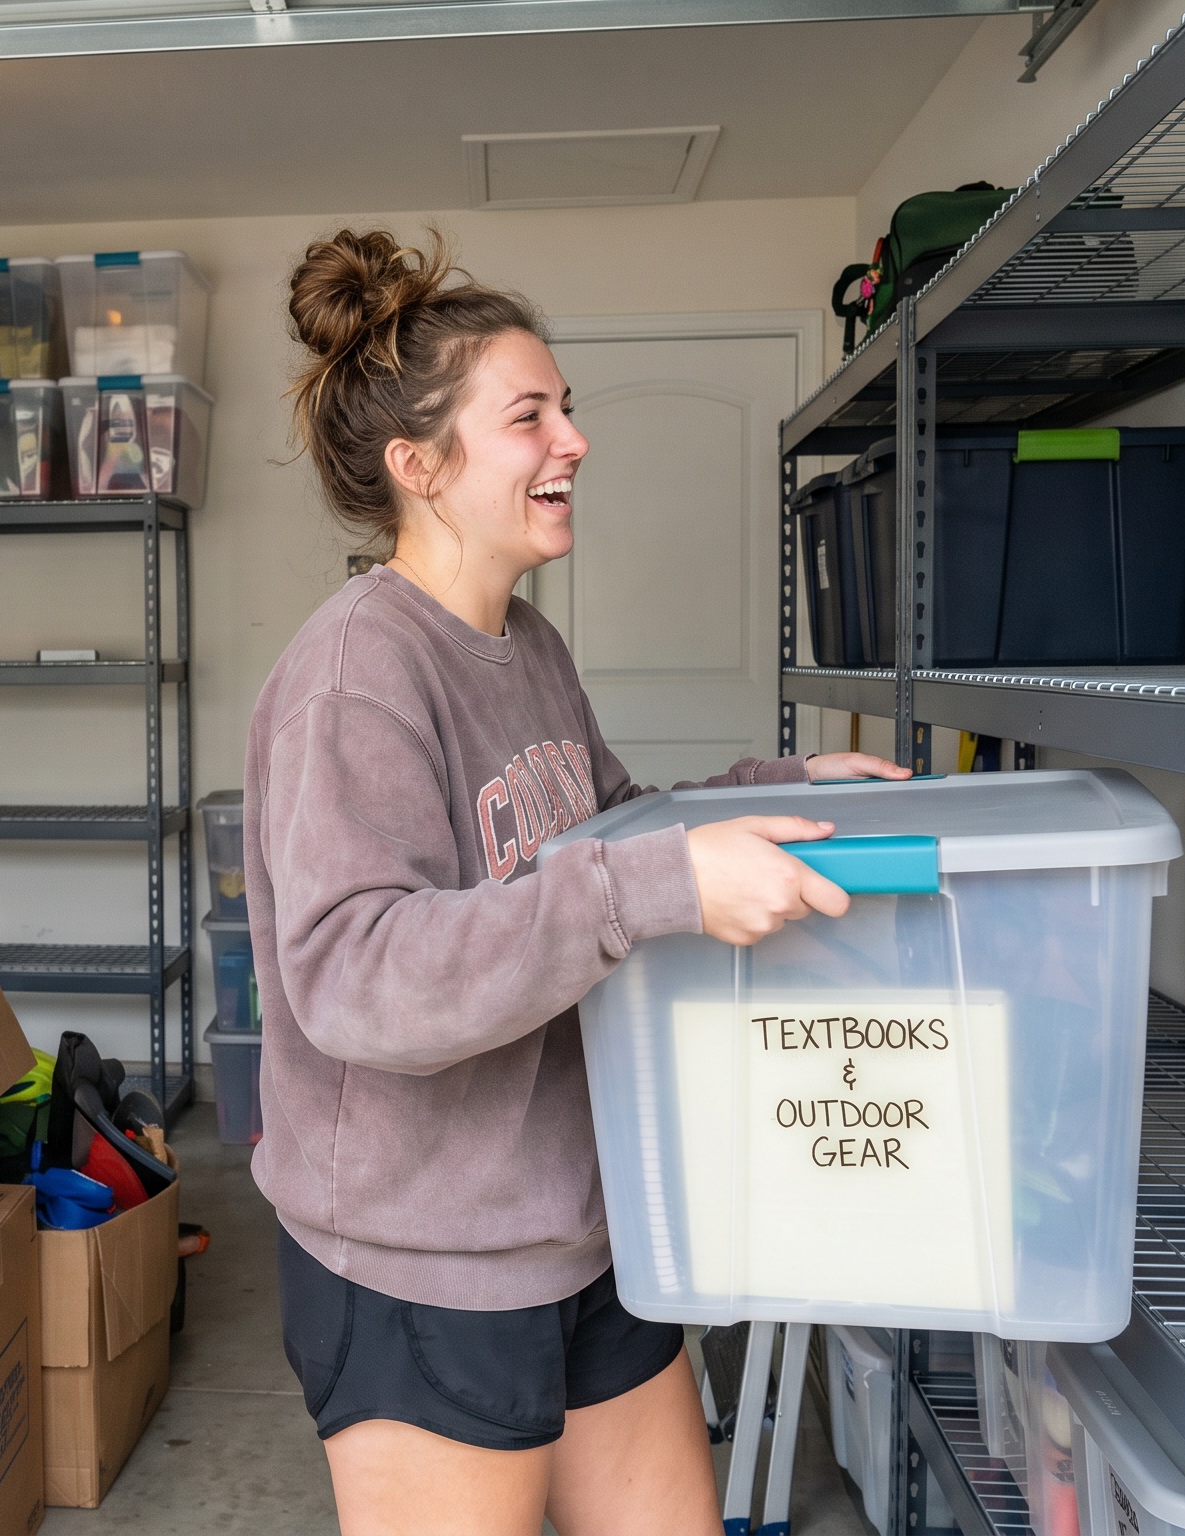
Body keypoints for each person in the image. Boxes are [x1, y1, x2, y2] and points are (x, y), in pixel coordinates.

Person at [248, 230, 911, 1536]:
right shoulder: (357, 676)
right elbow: (355, 976)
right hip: (422, 1265)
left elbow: (603, 829)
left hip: (583, 1225)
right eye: (531, 415)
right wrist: (650, 889)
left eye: (569, 409)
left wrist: (772, 797)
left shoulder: (524, 643)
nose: (575, 441)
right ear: (420, 465)